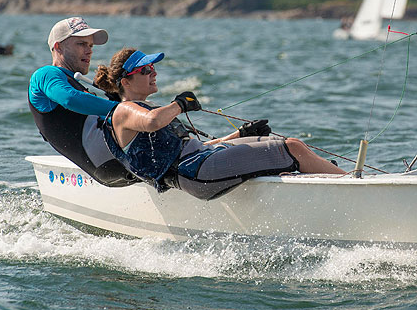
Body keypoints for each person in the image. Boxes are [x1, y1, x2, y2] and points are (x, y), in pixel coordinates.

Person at [93, 47, 345, 200]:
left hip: (200, 162)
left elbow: (193, 147)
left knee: (282, 145)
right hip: (195, 173)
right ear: (125, 82)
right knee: (292, 147)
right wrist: (180, 104)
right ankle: (354, 185)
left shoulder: (147, 109)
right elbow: (152, 122)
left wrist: (238, 135)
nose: (154, 72)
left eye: (153, 67)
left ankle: (326, 178)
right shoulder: (124, 111)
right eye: (145, 70)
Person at [28, 17, 134, 187]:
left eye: (91, 46)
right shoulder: (46, 74)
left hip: (118, 160)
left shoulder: (78, 82)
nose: (89, 51)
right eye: (81, 44)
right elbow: (69, 99)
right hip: (109, 166)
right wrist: (127, 110)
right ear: (58, 46)